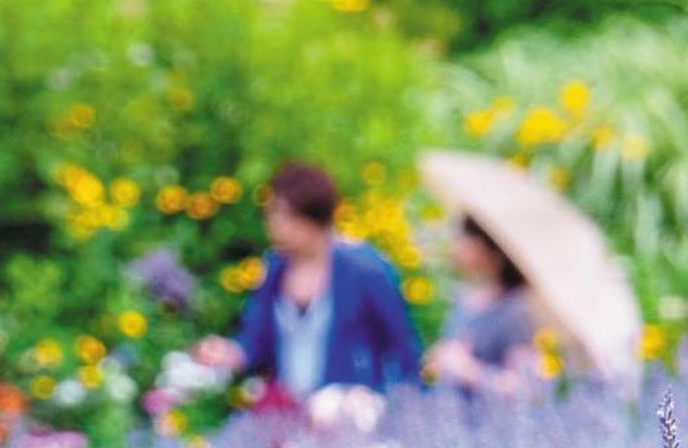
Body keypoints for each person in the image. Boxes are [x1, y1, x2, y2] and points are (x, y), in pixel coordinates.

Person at [192, 162, 423, 399]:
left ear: (315, 217)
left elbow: (403, 347)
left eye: (286, 215)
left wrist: (396, 407)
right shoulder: (275, 268)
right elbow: (256, 338)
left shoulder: (365, 270)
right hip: (290, 412)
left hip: (349, 413)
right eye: (271, 214)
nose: (275, 225)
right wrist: (231, 353)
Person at [424, 215, 542, 399]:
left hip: (492, 424)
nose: (455, 246)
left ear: (489, 246)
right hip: (451, 420)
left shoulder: (517, 309)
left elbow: (524, 387)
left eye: (464, 238)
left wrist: (467, 370)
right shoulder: (466, 298)